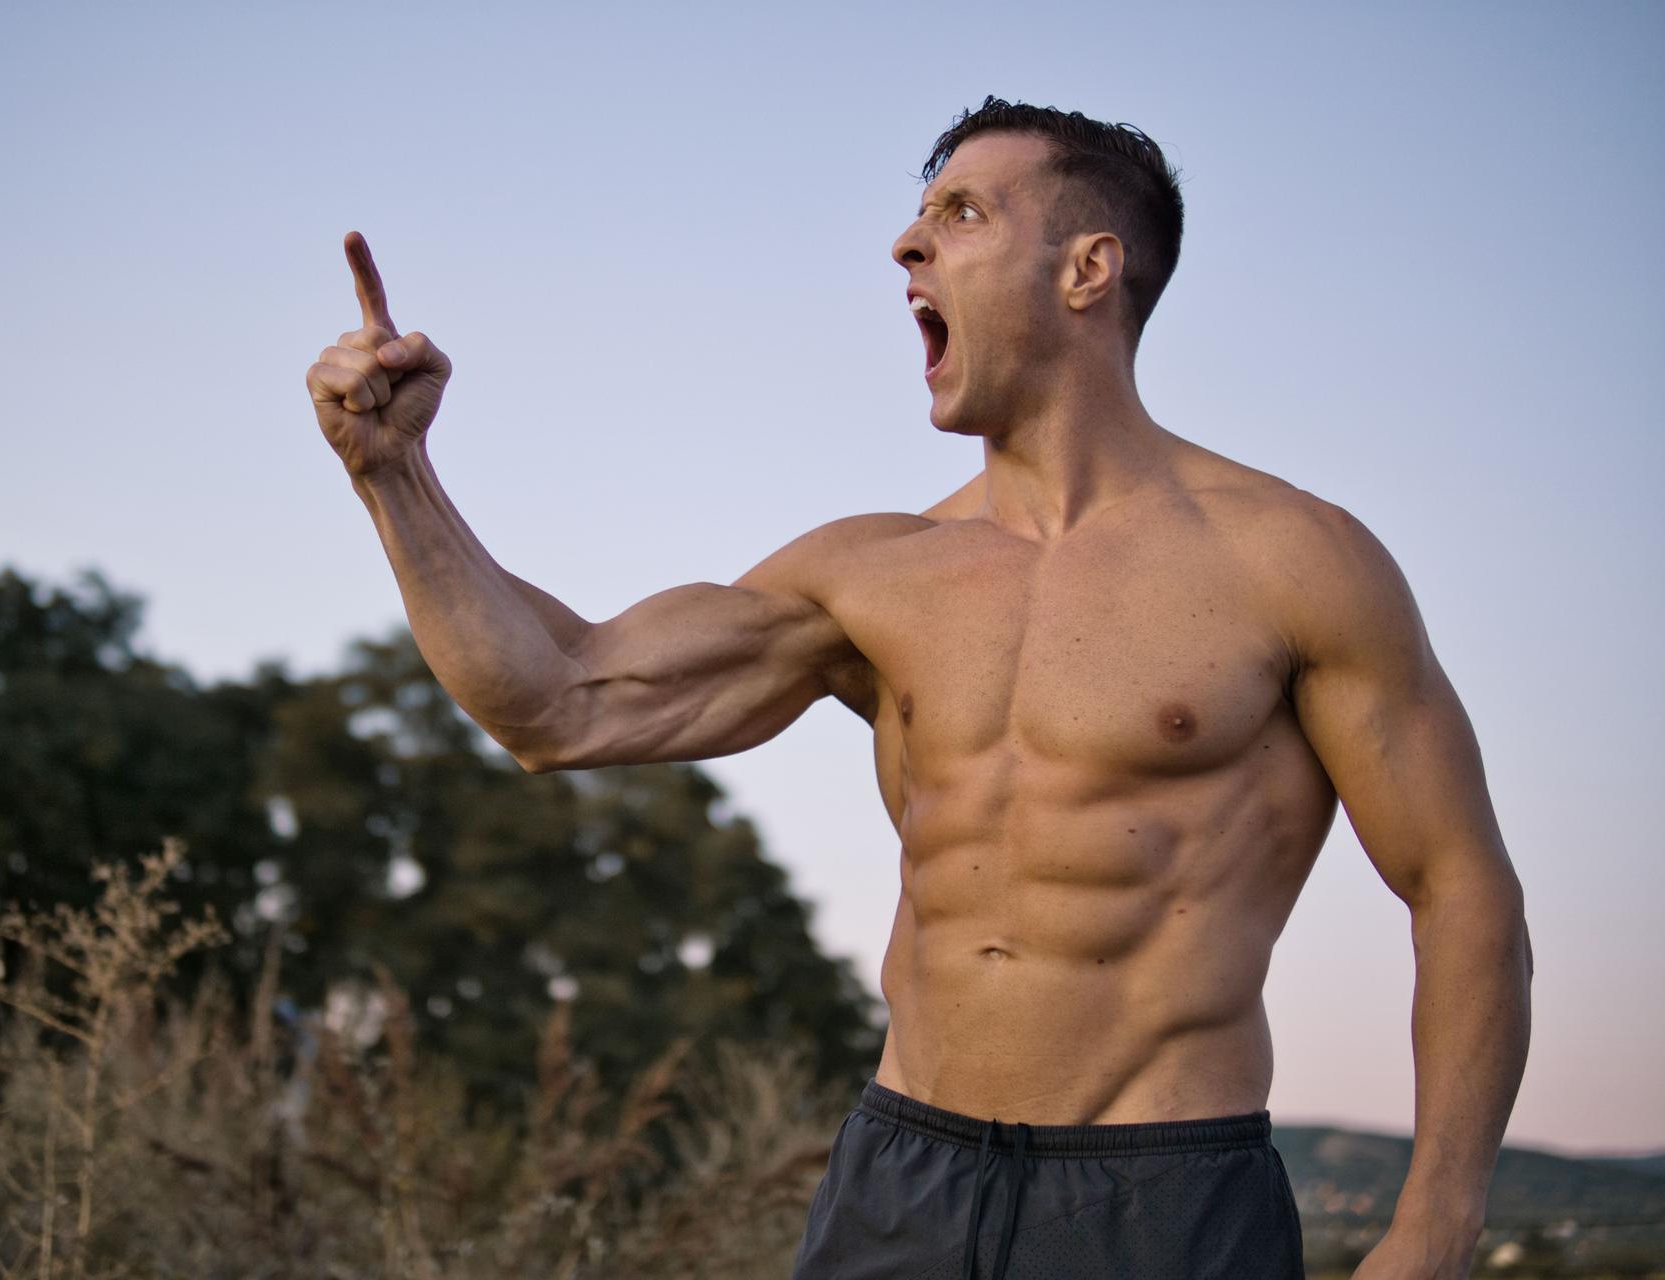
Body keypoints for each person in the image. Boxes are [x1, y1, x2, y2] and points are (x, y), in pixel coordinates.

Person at [304, 95, 1532, 1280]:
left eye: (962, 213)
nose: (906, 241)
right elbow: (557, 703)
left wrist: (1435, 1224)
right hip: (901, 1173)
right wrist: (394, 479)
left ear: (1088, 269)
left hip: (1159, 1193)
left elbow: (1458, 884)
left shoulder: (1293, 560)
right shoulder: (873, 573)